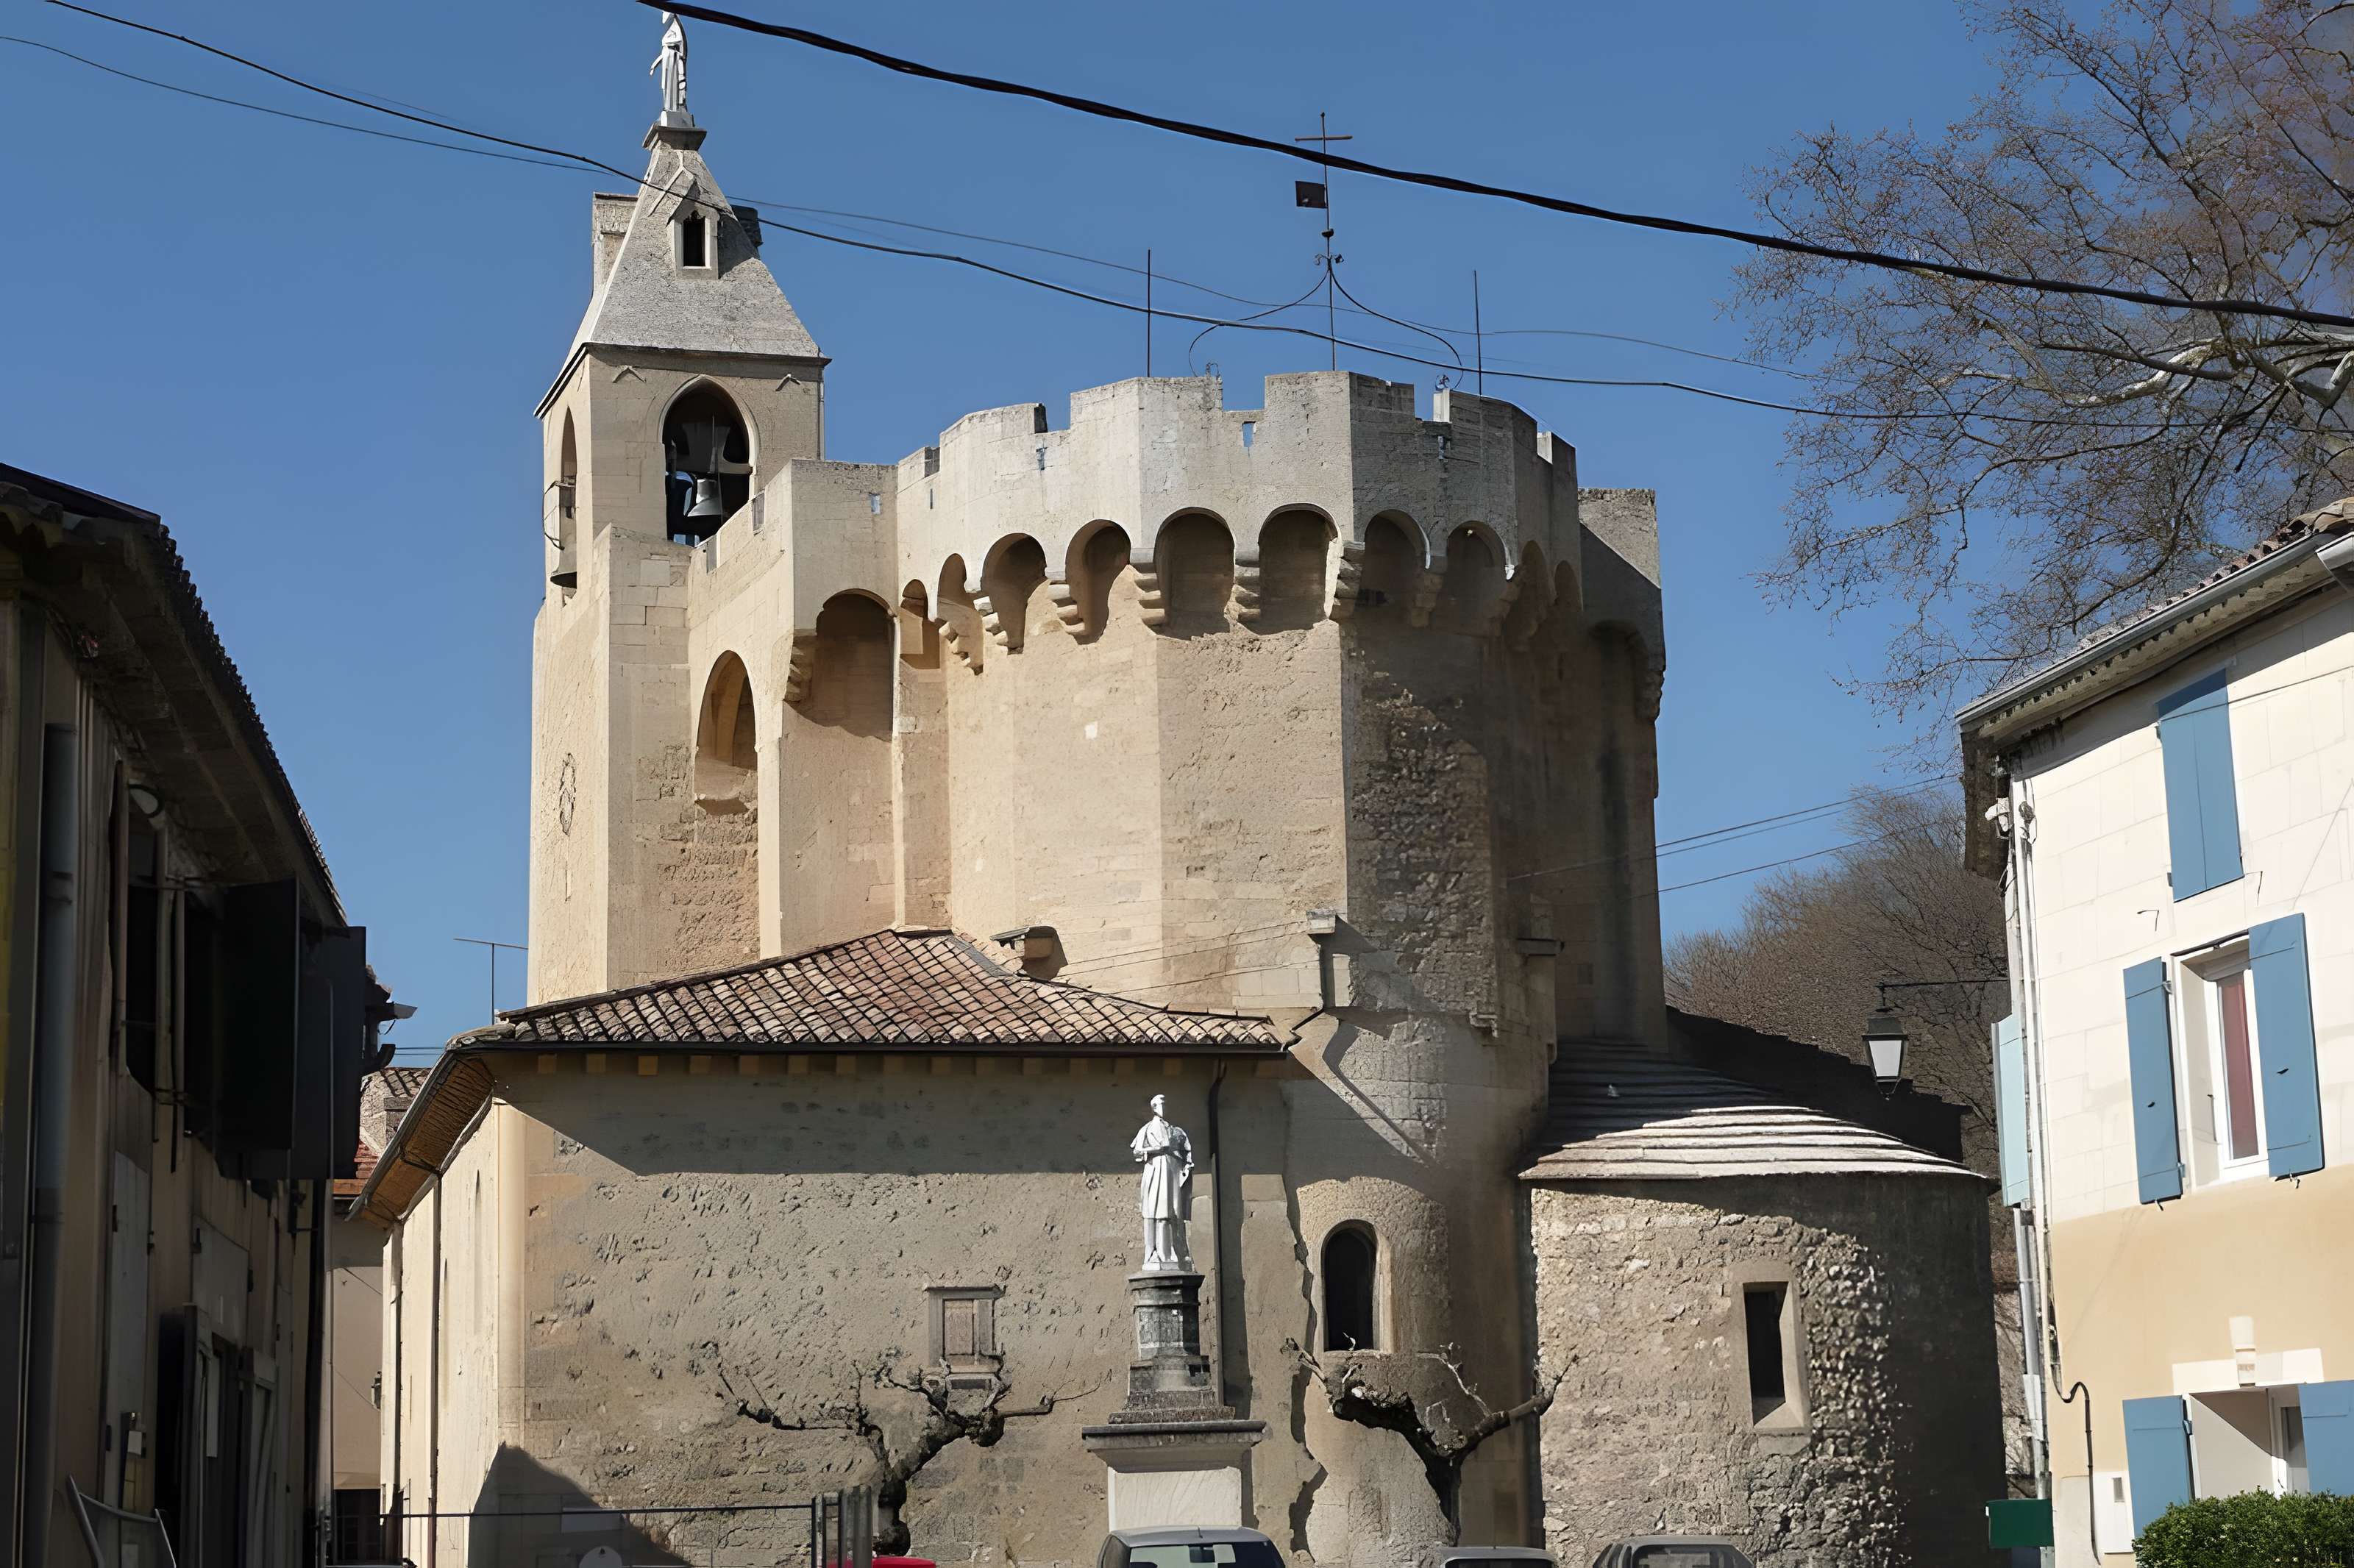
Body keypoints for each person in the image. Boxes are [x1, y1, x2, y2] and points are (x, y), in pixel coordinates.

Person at [1130, 1094, 1194, 1272]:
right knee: (1155, 1211)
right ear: (1154, 1107)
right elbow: (1137, 1151)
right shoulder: (1147, 1128)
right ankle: (1155, 1253)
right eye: (1160, 1104)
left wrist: (1185, 1164)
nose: (1163, 1108)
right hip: (1155, 1172)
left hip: (1170, 1174)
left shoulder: (1175, 1131)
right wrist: (1156, 1149)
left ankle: (1169, 1252)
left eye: (1166, 1104)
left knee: (1170, 1212)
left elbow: (1185, 1151)